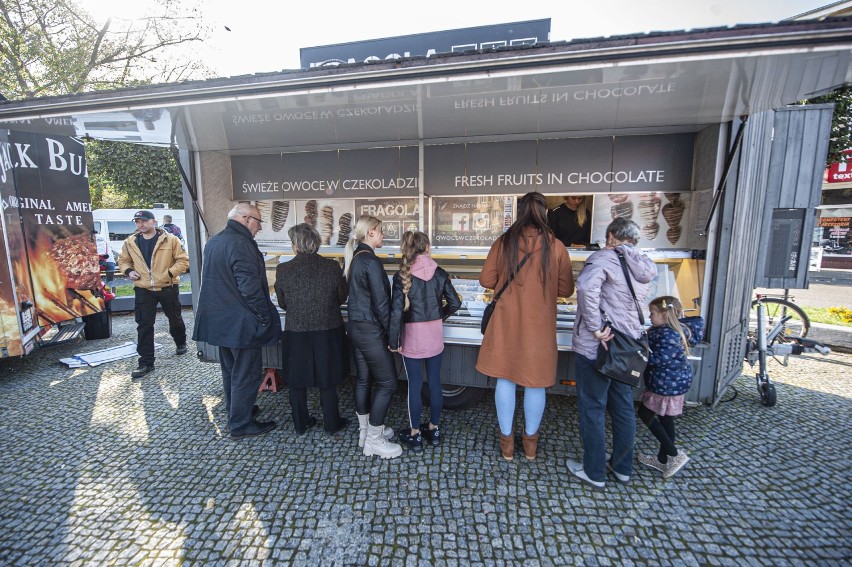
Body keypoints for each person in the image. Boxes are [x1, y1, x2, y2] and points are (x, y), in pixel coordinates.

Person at [476, 192, 575, 461]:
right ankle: (530, 445)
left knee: (505, 380)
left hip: (505, 324)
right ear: (545, 212)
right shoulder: (556, 247)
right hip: (540, 328)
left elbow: (487, 279)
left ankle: (507, 444)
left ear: (519, 212)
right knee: (536, 385)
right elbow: (566, 288)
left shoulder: (504, 242)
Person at [567, 217, 656, 488]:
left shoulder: (605, 257)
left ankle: (594, 471)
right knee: (623, 407)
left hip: (600, 345)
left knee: (592, 407)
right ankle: (622, 468)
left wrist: (595, 328)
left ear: (610, 237)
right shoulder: (644, 263)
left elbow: (583, 288)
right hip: (627, 344)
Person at [192, 203, 281, 439]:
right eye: (258, 222)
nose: (259, 228)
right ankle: (241, 425)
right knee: (247, 373)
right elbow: (250, 288)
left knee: (231, 371)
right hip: (241, 323)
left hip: (221, 321)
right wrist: (264, 316)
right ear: (245, 218)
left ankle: (238, 411)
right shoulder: (242, 244)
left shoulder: (216, 240)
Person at [389, 231, 461, 451]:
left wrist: (393, 340)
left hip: (412, 338)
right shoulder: (439, 273)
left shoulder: (401, 276)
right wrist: (440, 315)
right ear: (427, 247)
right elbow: (455, 304)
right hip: (434, 336)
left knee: (414, 386)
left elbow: (395, 313)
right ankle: (434, 429)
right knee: (435, 383)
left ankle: (415, 435)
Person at [275, 223, 350, 436]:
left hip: (296, 330)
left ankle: (300, 423)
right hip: (328, 329)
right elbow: (341, 297)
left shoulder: (284, 269)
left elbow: (283, 303)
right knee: (327, 379)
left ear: (296, 246)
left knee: (297, 380)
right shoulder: (332, 267)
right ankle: (332, 423)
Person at [344, 215, 402, 459]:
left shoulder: (355, 258)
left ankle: (365, 433)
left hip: (356, 328)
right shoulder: (371, 261)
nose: (382, 235)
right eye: (380, 231)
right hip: (370, 330)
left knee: (364, 380)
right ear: (369, 233)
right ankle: (375, 441)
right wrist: (393, 338)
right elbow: (382, 304)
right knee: (388, 383)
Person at [637, 296, 704, 478]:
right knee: (666, 419)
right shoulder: (668, 331)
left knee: (645, 413)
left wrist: (638, 354)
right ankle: (662, 460)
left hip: (665, 383)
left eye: (652, 313)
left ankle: (674, 455)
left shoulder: (668, 335)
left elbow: (659, 360)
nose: (649, 316)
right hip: (671, 382)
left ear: (665, 315)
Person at [118, 210, 189, 379]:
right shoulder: (130, 242)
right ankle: (146, 362)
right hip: (144, 289)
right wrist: (128, 271)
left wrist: (169, 274)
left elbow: (183, 260)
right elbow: (123, 261)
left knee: (175, 318)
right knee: (144, 325)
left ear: (153, 222)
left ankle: (180, 341)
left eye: (143, 221)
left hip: (167, 287)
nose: (140, 224)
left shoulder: (170, 239)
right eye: (137, 221)